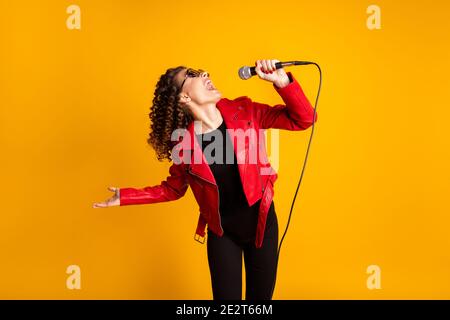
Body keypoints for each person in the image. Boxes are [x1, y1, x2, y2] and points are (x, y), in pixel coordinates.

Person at [93, 59, 318, 300]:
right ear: (184, 99)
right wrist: (126, 196)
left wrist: (283, 83)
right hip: (223, 234)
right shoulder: (184, 145)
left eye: (201, 71)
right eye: (192, 75)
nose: (205, 74)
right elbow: (173, 189)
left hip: (262, 225)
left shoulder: (246, 112)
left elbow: (304, 120)